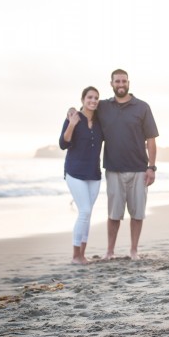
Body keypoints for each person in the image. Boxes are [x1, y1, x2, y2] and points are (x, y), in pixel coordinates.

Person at [68, 69, 159, 260]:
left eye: (123, 81)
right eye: (117, 81)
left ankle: (134, 250)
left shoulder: (142, 107)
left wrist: (151, 167)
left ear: (128, 83)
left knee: (137, 214)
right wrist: (71, 111)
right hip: (113, 170)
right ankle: (110, 251)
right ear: (111, 84)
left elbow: (151, 139)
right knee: (114, 215)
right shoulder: (104, 106)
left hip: (139, 169)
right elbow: (87, 107)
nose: (120, 84)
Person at [59, 86, 104, 264]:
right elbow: (63, 143)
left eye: (96, 98)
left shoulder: (101, 120)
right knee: (84, 211)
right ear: (83, 99)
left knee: (88, 213)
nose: (93, 101)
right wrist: (71, 124)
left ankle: (82, 254)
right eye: (89, 97)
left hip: (94, 173)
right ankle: (75, 256)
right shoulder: (74, 117)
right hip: (75, 171)